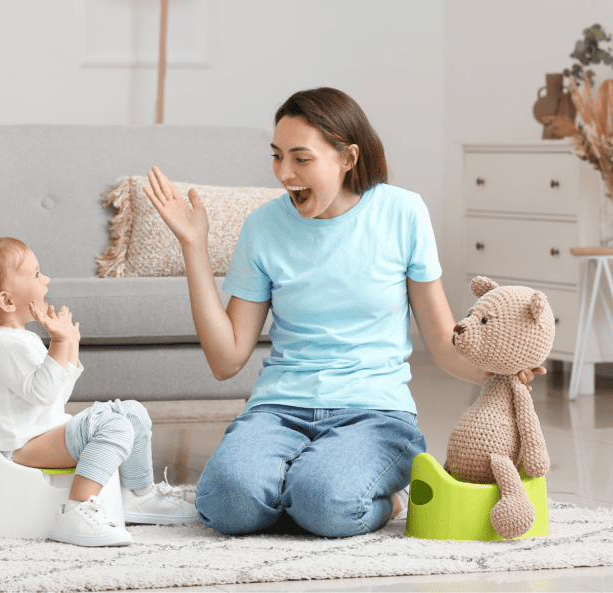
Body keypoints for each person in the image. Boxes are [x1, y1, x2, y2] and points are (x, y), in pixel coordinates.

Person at [142, 87, 544, 537]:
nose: (284, 173)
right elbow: (226, 360)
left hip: (375, 413)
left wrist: (501, 373)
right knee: (226, 504)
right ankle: (306, 488)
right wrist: (193, 246)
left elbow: (440, 338)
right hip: (279, 408)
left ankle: (385, 498)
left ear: (347, 158)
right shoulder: (264, 226)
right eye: (276, 156)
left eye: (301, 158)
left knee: (326, 503)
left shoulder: (402, 212)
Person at [0, 236, 198, 547]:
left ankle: (138, 495)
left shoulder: (15, 340)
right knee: (114, 425)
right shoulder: (1, 343)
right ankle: (77, 511)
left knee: (132, 413)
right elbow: (43, 394)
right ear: (7, 301)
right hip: (23, 446)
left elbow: (55, 396)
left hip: (41, 433)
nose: (46, 280)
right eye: (36, 275)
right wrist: (59, 344)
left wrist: (70, 346)